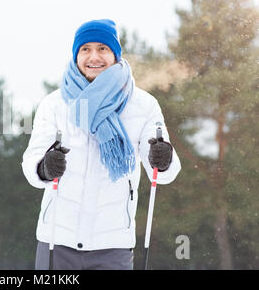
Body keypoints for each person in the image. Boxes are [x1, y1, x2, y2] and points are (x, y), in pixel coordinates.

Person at [22, 19, 181, 270]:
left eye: (102, 48)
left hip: (113, 243)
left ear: (115, 55)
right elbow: (31, 163)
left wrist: (163, 157)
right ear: (76, 55)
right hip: (57, 239)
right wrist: (45, 168)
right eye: (85, 49)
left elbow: (164, 173)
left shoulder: (143, 105)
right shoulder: (55, 104)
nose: (94, 56)